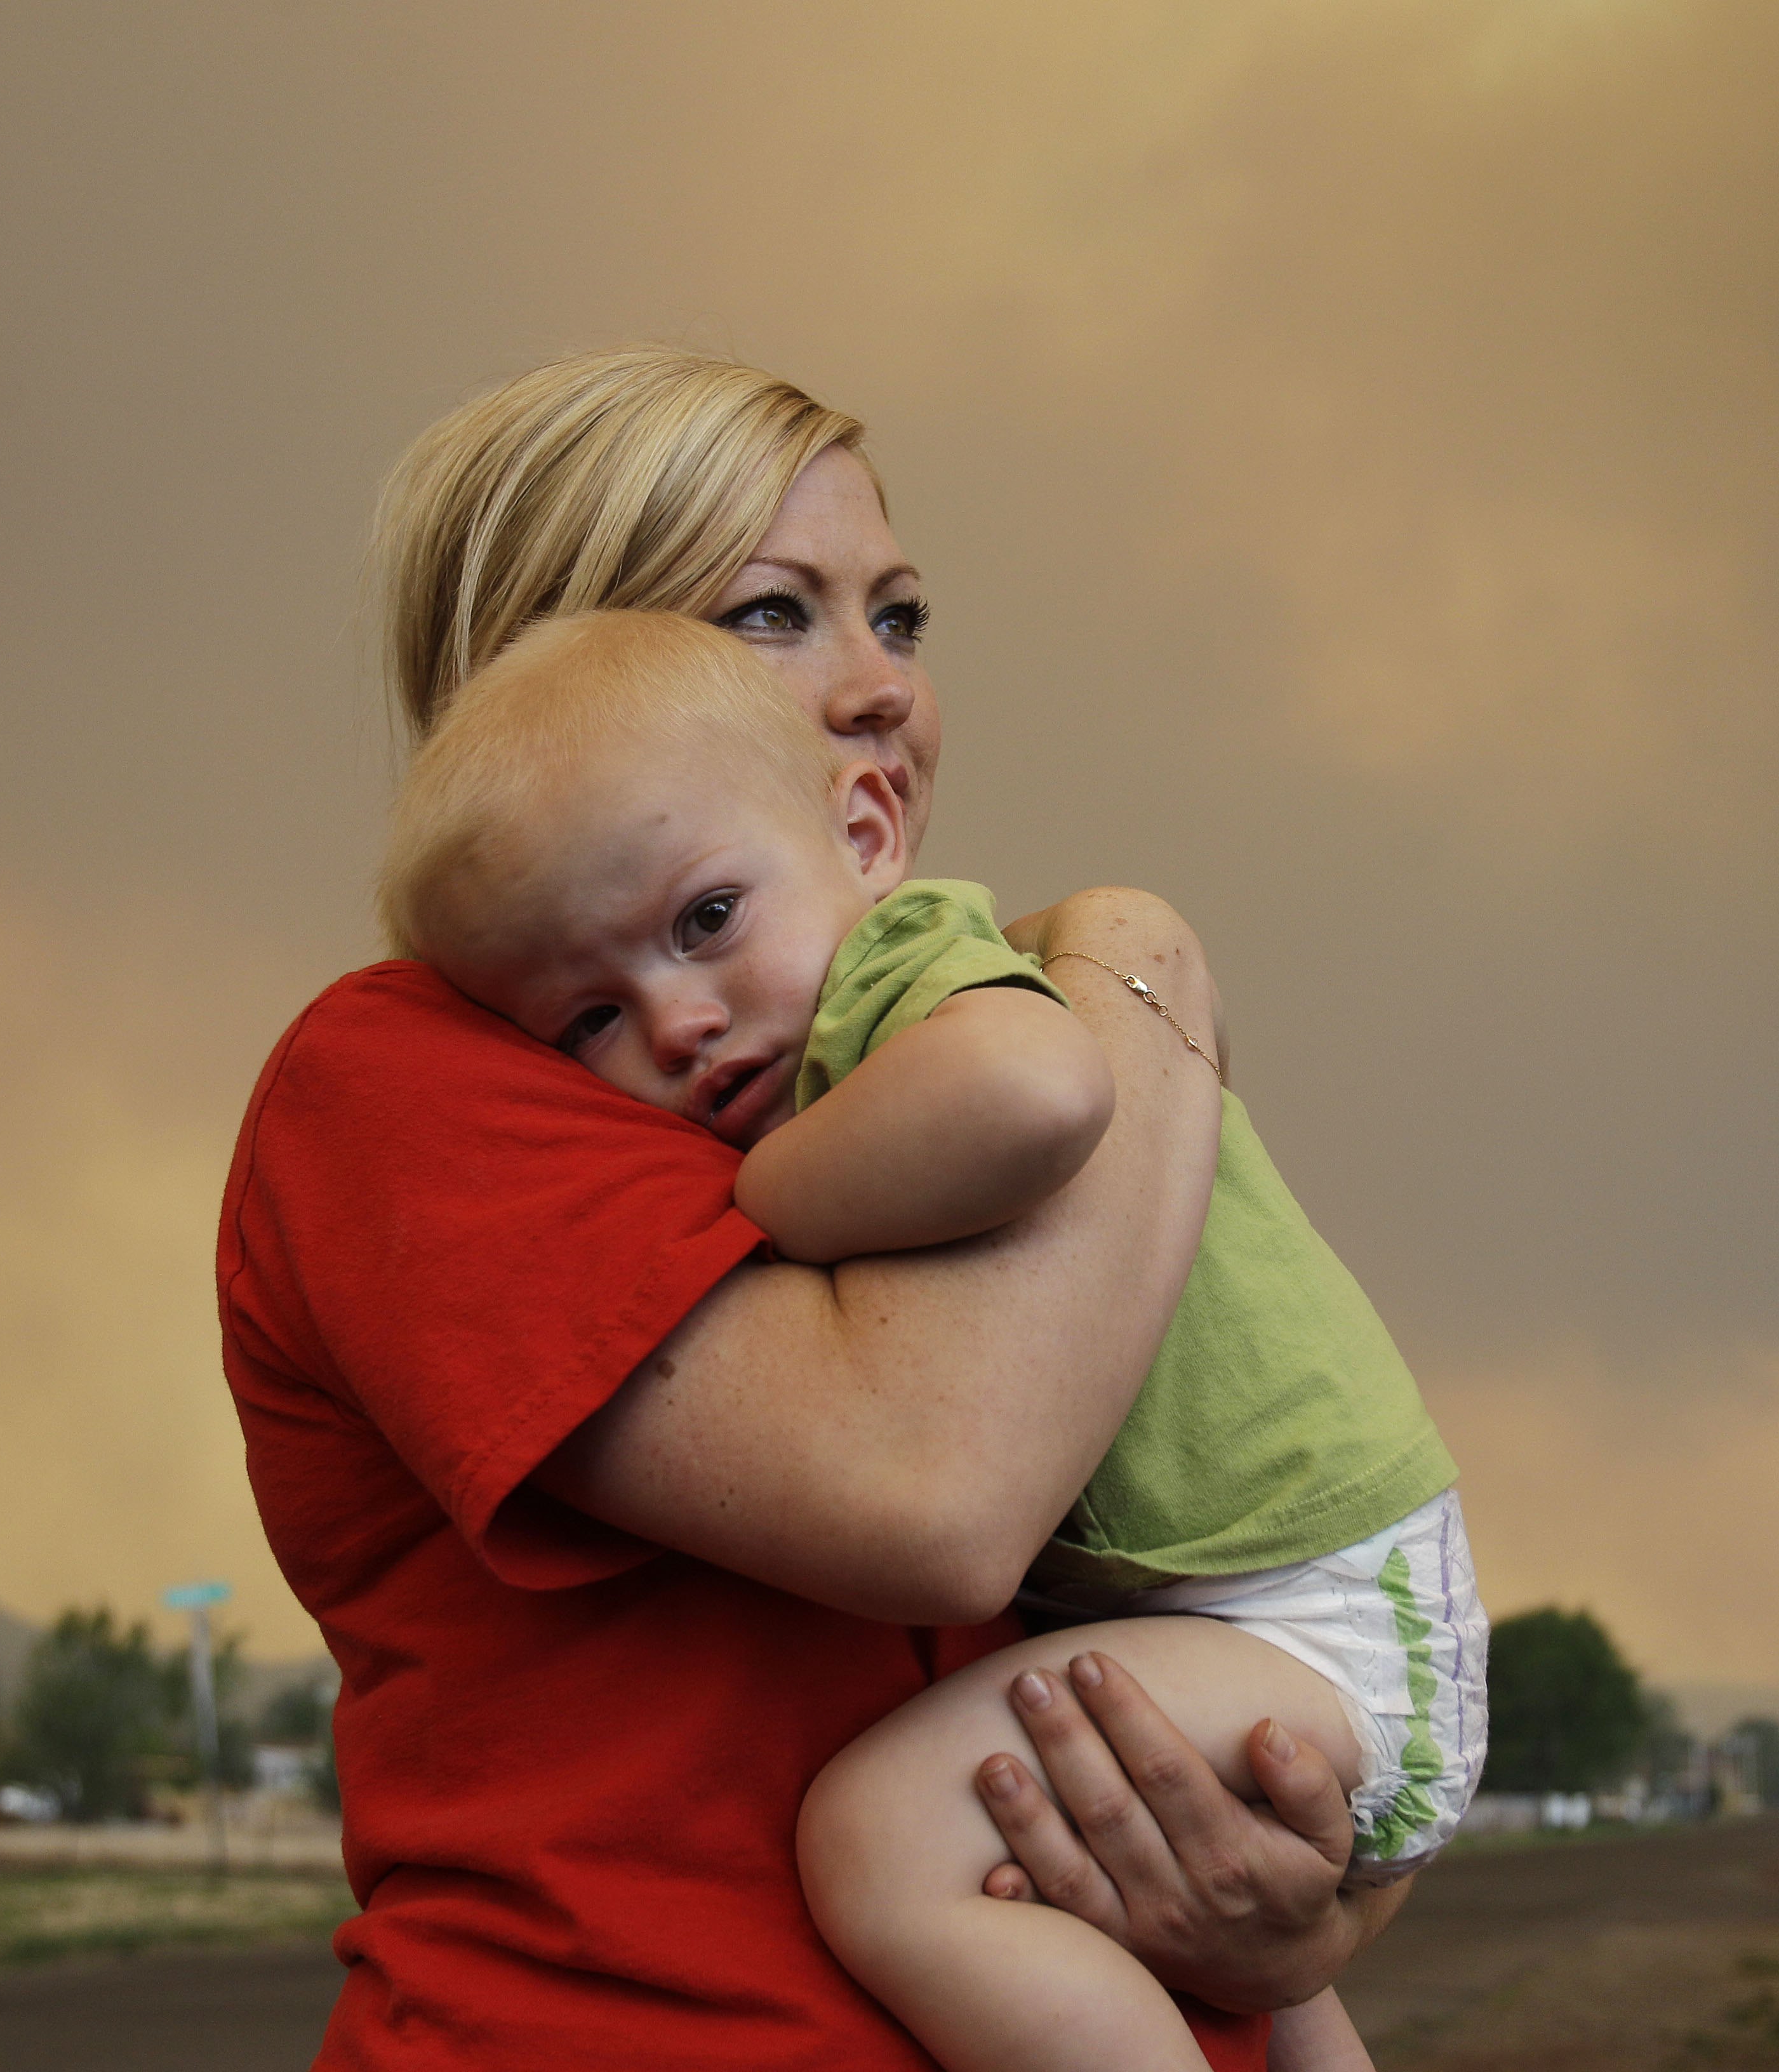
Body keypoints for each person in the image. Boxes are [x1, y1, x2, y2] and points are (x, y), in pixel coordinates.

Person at [218, 347, 1409, 2069]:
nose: (875, 687)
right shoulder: (395, 1085)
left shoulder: (894, 1063)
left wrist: (1298, 1908)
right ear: (558, 674)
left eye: (902, 617)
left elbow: (1217, 1620)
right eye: (774, 617)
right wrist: (1142, 960)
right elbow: (931, 1494)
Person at [371, 608, 1488, 2072]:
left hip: (1315, 1619)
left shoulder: (907, 975)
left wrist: (774, 1196)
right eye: (590, 1020)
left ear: (866, 833)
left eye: (708, 922)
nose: (682, 1020)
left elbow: (1034, 1094)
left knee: (882, 1843)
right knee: (1231, 1972)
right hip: (1274, 1602)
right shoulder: (424, 1086)